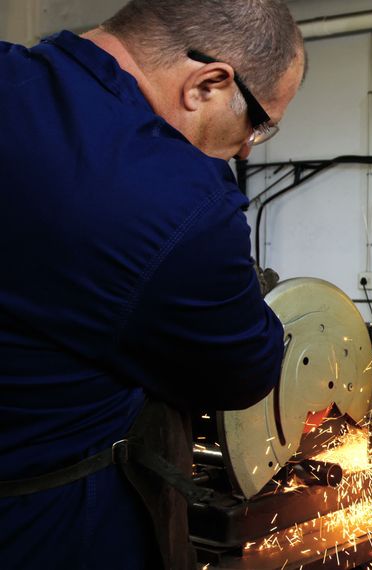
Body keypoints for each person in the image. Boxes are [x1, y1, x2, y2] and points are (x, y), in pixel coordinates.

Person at [0, 1, 306, 567]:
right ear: (207, 84)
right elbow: (243, 371)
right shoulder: (178, 206)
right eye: (259, 122)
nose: (246, 147)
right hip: (50, 532)